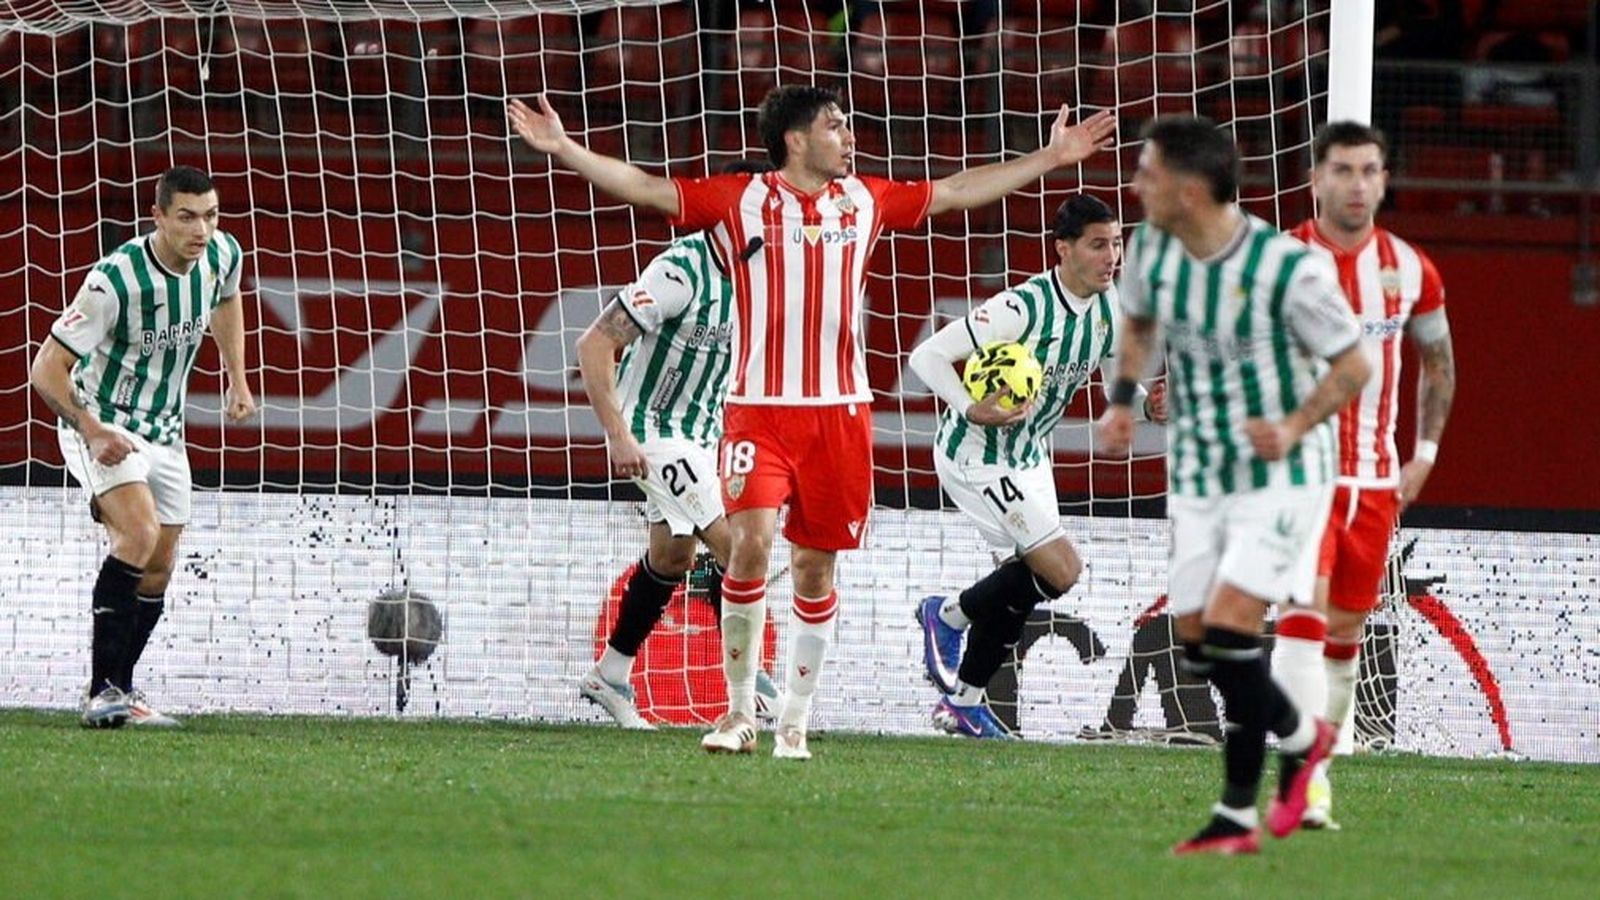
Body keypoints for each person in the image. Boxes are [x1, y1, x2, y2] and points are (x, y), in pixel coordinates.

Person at [510, 84, 1115, 759]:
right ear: (796, 140)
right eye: (835, 125)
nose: (850, 136)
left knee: (810, 569)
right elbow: (648, 189)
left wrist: (1048, 158)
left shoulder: (864, 199)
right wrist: (564, 147)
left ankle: (791, 723)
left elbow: (955, 191)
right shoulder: (741, 202)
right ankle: (739, 711)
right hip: (757, 413)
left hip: (839, 415)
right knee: (747, 547)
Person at [1096, 116, 1370, 855]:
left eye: (1147, 172)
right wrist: (1122, 400)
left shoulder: (1287, 269)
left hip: (1280, 472)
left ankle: (1265, 780)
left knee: (1227, 629)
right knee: (1200, 644)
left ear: (1189, 189)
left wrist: (1294, 422)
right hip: (1198, 469)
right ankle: (1272, 776)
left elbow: (1354, 365)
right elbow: (1139, 325)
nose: (1135, 185)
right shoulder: (1152, 249)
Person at [906, 194, 1167, 738]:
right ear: (1063, 249)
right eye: (1097, 245)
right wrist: (970, 406)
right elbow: (925, 357)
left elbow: (1113, 384)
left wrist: (1147, 407)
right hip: (975, 456)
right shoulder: (1020, 309)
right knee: (1060, 569)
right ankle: (947, 614)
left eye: (1116, 244)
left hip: (1029, 456)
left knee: (1026, 584)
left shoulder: (1108, 307)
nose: (1111, 257)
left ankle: (963, 702)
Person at [1272, 121, 1456, 830]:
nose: (1356, 184)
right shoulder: (1280, 261)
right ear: (1315, 180)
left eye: (1369, 170)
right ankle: (1302, 778)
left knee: (1345, 633)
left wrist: (1425, 453)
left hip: (1376, 483)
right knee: (1302, 614)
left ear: (1384, 180)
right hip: (1301, 474)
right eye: (1342, 170)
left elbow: (1438, 364)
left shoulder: (1411, 268)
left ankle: (1316, 764)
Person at [30, 165, 255, 728]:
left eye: (210, 216)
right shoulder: (115, 280)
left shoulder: (223, 254)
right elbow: (45, 368)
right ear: (157, 216)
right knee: (139, 533)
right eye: (186, 217)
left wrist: (237, 377)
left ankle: (120, 692)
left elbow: (227, 300)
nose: (201, 230)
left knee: (158, 568)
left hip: (166, 430)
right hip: (105, 423)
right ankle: (100, 693)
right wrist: (91, 429)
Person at [574, 159, 783, 730]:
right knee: (739, 547)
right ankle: (752, 682)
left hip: (706, 435)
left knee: (673, 557)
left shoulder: (765, 276)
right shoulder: (681, 271)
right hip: (653, 433)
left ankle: (610, 675)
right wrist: (617, 434)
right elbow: (594, 344)